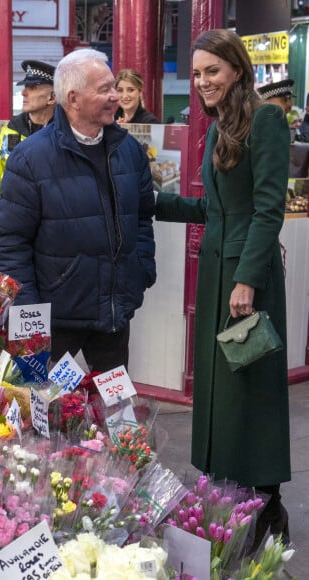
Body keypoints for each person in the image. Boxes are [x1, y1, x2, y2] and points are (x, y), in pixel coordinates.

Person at [155, 29, 290, 549]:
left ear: (236, 68)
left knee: (250, 393)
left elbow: (267, 208)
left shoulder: (268, 120)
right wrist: (152, 202)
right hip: (217, 278)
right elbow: (214, 210)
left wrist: (247, 279)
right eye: (196, 73)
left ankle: (267, 506)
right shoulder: (217, 129)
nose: (203, 81)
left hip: (244, 285)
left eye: (212, 70)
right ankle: (229, 501)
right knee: (220, 394)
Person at [0, 48, 156, 372]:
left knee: (116, 410)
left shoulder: (130, 152)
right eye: (105, 89)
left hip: (112, 316)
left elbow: (141, 218)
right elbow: (11, 242)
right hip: (54, 321)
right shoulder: (29, 158)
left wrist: (141, 271)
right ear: (73, 98)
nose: (115, 96)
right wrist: (28, 312)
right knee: (41, 412)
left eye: (115, 87)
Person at [0, 60, 56, 258]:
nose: (23, 93)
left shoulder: (66, 133)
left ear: (53, 96)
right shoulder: (12, 131)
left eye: (33, 87)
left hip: (55, 238)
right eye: (25, 87)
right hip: (15, 233)